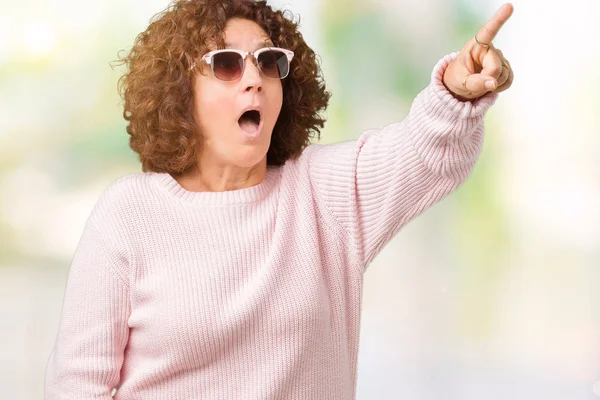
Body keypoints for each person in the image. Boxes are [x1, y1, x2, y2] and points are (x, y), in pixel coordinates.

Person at [44, 0, 514, 398]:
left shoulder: (323, 194)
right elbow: (78, 387)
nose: (254, 79)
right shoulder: (128, 215)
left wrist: (454, 91)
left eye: (269, 62)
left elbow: (426, 153)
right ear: (179, 93)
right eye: (226, 64)